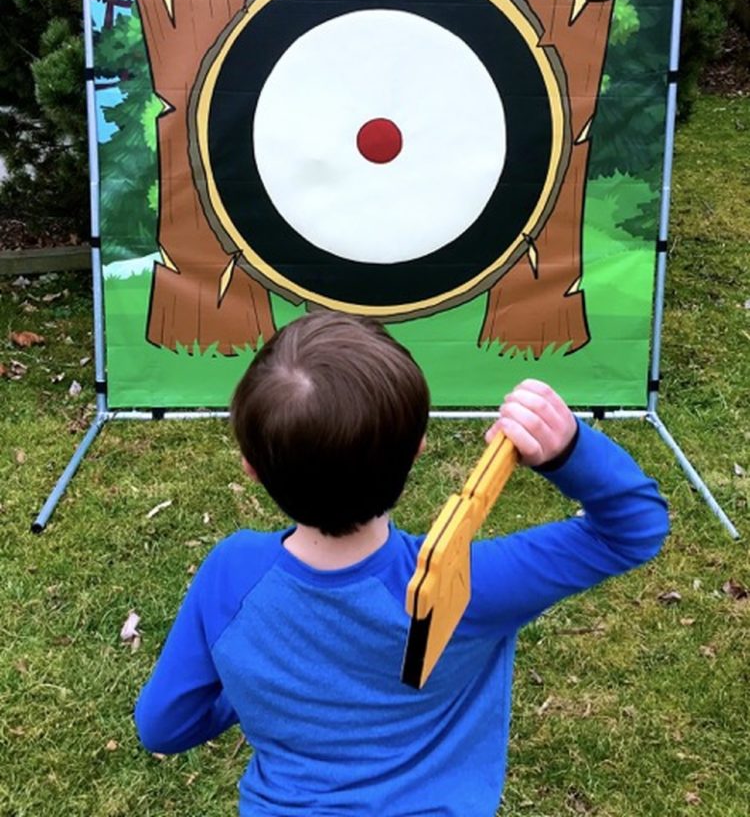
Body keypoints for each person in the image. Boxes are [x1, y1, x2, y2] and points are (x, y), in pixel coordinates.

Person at [134, 311, 669, 816]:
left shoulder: (230, 573)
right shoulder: (473, 584)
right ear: (417, 451)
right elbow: (633, 527)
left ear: (250, 467)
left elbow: (162, 727)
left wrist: (245, 689)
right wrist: (568, 451)